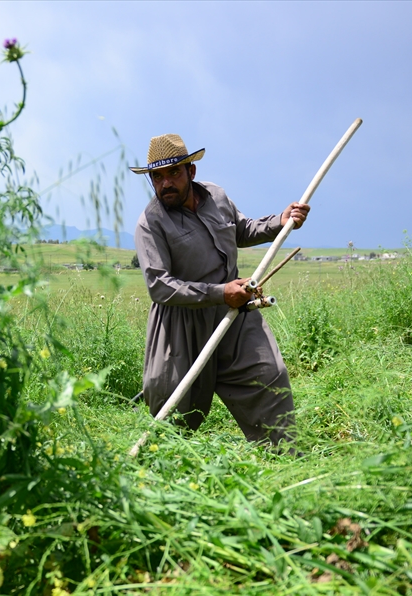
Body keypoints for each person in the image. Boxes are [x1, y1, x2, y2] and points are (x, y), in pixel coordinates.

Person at [132, 133, 309, 449]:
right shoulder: (151, 223)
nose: (165, 184)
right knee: (171, 405)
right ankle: (161, 477)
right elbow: (159, 285)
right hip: (179, 325)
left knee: (268, 374)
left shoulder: (217, 197)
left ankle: (283, 458)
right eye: (157, 177)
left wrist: (278, 222)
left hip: (235, 314)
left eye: (173, 172)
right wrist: (218, 292)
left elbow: (241, 230)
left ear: (191, 172)